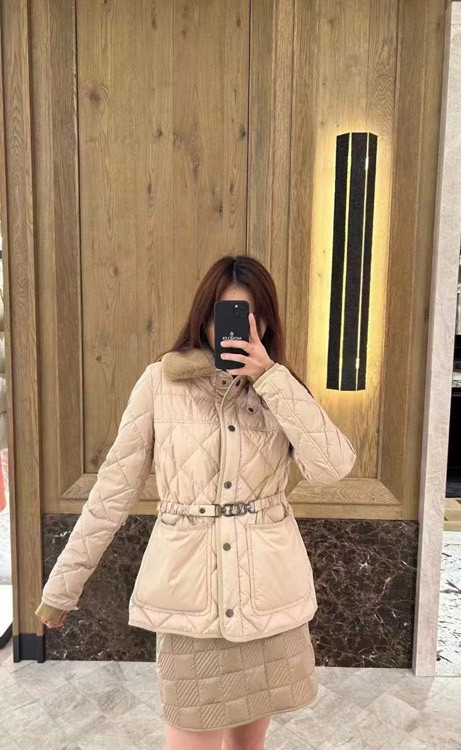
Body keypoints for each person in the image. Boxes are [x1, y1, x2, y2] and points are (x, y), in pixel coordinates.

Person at [35, 255, 357, 749]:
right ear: (203, 317)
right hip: (191, 600)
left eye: (249, 316)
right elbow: (112, 492)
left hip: (266, 599)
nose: (234, 328)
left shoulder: (281, 389)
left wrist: (272, 379)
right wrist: (62, 587)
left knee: (249, 746)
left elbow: (333, 467)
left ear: (266, 323)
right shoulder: (158, 383)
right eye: (223, 314)